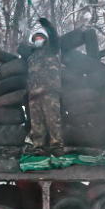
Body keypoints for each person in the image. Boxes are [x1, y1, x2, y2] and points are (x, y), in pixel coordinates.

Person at [24, 18, 64, 154]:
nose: (38, 39)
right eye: (36, 37)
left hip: (50, 91)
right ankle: (39, 147)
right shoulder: (31, 56)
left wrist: (47, 25)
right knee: (37, 124)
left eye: (41, 36)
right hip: (34, 94)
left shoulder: (52, 50)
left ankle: (56, 146)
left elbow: (54, 37)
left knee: (53, 120)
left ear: (46, 39)